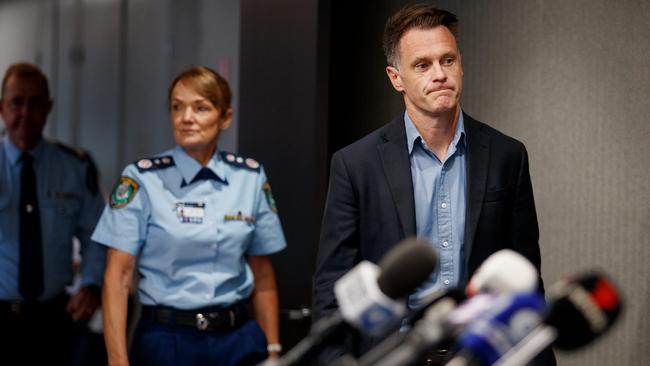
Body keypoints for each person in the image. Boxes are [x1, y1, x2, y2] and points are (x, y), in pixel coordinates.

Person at [313, 4, 555, 365]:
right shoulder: (355, 164)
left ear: (460, 64)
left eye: (447, 60)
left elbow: (525, 276)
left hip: (478, 354)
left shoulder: (507, 155)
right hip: (391, 354)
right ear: (396, 78)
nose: (439, 74)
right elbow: (333, 287)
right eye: (422, 65)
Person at [91, 65, 286, 366]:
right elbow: (117, 276)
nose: (186, 118)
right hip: (168, 340)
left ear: (225, 117)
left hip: (238, 339)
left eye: (201, 108)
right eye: (177, 107)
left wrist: (273, 351)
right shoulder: (141, 179)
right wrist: (117, 361)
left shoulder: (249, 176)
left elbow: (262, 272)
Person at [0, 62, 106, 364]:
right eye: (16, 102)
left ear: (48, 108)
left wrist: (91, 283)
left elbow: (96, 233)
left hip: (52, 320)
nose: (25, 113)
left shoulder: (73, 167)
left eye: (35, 103)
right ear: (1, 107)